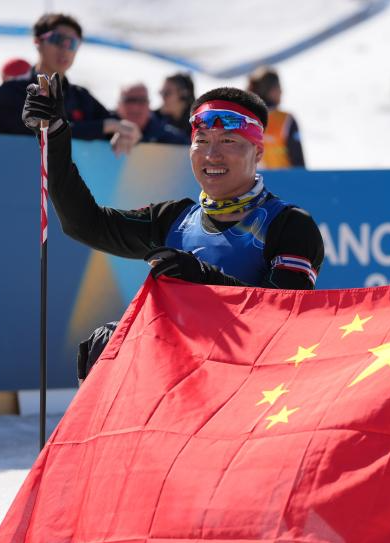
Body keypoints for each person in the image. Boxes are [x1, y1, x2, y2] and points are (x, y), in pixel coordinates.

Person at [21, 81, 325, 380]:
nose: (212, 154)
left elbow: (279, 319)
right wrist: (55, 136)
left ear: (257, 152)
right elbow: (86, 224)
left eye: (228, 141)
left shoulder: (290, 225)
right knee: (108, 345)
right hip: (180, 392)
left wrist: (204, 279)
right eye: (202, 141)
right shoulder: (175, 218)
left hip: (247, 395)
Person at [0, 13, 139, 153]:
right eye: (57, 40)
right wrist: (104, 127)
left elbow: (121, 127)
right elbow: (42, 134)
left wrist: (125, 134)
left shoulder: (81, 97)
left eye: (72, 44)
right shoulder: (11, 92)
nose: (65, 50)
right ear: (37, 41)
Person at [246, 66, 305, 168]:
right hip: (284, 177)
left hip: (254, 178)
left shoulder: (244, 119)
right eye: (278, 87)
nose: (281, 92)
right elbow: (298, 162)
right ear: (271, 91)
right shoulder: (286, 120)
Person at [114, 82, 188, 144]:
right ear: (118, 105)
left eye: (142, 100)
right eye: (129, 100)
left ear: (149, 105)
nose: (135, 107)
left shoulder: (175, 140)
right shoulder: (107, 129)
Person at [157, 71, 195, 138]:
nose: (162, 97)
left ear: (184, 96)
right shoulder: (155, 119)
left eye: (167, 93)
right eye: (161, 92)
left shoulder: (201, 126)